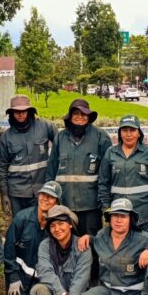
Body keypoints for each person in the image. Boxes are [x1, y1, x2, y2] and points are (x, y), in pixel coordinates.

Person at [46, 96, 109, 241]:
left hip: (91, 205)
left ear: (88, 117)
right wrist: (50, 200)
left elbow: (107, 171)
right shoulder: (60, 138)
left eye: (83, 114)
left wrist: (105, 202)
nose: (80, 117)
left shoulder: (101, 137)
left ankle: (92, 265)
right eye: (76, 114)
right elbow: (51, 170)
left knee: (90, 242)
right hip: (65, 204)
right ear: (70, 116)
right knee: (66, 243)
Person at [5, 184, 67, 295]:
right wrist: (13, 278)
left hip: (43, 276)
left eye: (50, 197)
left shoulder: (59, 226)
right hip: (21, 274)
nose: (45, 199)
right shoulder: (22, 218)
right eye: (43, 195)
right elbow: (8, 249)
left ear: (57, 202)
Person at [97, 114, 148, 227]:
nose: (128, 134)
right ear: (120, 133)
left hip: (146, 214)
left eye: (132, 130)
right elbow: (103, 184)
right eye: (124, 130)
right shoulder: (111, 153)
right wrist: (106, 208)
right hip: (120, 214)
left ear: (139, 133)